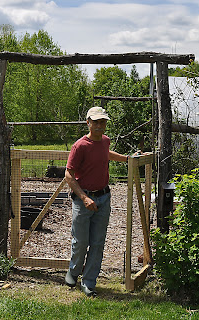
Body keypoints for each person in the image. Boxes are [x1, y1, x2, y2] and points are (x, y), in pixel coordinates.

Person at [64, 106, 130, 297]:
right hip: (83, 200)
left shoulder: (105, 141)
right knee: (81, 242)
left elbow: (106, 153)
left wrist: (127, 159)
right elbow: (68, 174)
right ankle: (73, 271)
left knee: (98, 242)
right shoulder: (80, 146)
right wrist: (84, 198)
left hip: (104, 198)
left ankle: (89, 282)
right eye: (96, 122)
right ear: (88, 122)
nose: (100, 125)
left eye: (103, 122)